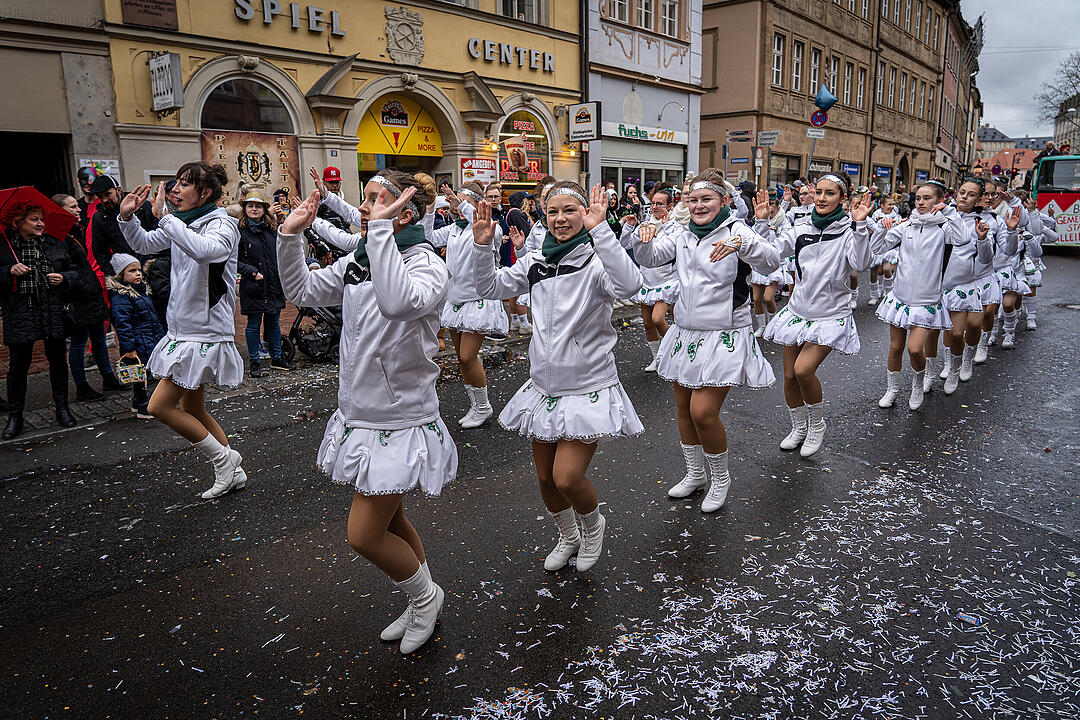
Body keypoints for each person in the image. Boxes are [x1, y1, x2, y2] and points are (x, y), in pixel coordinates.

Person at [277, 172, 454, 655]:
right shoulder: (359, 259)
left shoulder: (427, 265)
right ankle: (423, 599)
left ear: (406, 212)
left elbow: (399, 303)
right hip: (360, 410)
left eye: (379, 200)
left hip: (399, 417)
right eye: (366, 198)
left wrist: (378, 231)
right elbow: (304, 291)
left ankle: (425, 598)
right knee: (391, 522)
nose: (365, 206)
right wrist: (290, 236)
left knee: (363, 534)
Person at [470, 183, 644, 572]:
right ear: (543, 216)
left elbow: (632, 285)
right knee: (546, 480)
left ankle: (593, 524)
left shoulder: (597, 262)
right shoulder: (534, 259)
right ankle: (567, 536)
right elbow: (487, 287)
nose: (560, 219)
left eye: (569, 210)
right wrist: (483, 249)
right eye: (552, 212)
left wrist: (602, 233)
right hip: (544, 386)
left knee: (567, 477)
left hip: (587, 386)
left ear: (584, 214)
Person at [634, 170, 780, 512]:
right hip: (687, 333)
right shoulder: (683, 235)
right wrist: (641, 237)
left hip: (725, 333)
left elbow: (771, 261)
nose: (699, 206)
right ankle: (695, 473)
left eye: (707, 199)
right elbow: (649, 258)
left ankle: (720, 478)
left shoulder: (737, 230)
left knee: (703, 411)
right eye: (693, 200)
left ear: (724, 201)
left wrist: (743, 242)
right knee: (684, 409)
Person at [117, 162, 248, 499]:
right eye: (175, 184)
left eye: (184, 185)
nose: (174, 190)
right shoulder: (183, 222)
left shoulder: (222, 224)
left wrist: (165, 217)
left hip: (203, 330)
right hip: (184, 329)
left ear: (204, 193)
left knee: (158, 406)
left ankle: (224, 460)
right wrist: (127, 217)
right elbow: (145, 245)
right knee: (193, 409)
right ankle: (233, 470)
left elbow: (207, 251)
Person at [760, 173, 877, 456]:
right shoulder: (801, 227)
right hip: (798, 311)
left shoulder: (849, 231)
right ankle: (798, 427)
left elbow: (861, 263)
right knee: (789, 376)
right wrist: (763, 224)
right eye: (819, 192)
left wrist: (860, 225)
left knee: (803, 370)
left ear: (843, 199)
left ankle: (816, 425)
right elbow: (769, 254)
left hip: (829, 315)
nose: (823, 198)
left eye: (830, 193)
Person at [873, 181, 1005, 410]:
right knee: (895, 348)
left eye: (927, 198)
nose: (921, 202)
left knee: (917, 348)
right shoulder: (906, 226)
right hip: (901, 298)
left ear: (938, 202)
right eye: (918, 198)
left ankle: (924, 380)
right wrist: (880, 228)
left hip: (930, 299)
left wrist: (949, 213)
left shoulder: (945, 227)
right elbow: (877, 248)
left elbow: (964, 239)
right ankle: (893, 389)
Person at [0, 202, 81, 438]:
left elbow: (76, 271)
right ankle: (16, 417)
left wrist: (63, 277)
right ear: (18, 222)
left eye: (41, 219)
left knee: (57, 359)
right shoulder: (5, 247)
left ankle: (62, 409)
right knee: (18, 365)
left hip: (51, 308)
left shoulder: (54, 243)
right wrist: (8, 271)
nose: (41, 224)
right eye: (34, 219)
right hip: (20, 311)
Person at [429, 182, 505, 428]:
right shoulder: (454, 229)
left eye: (459, 201)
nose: (452, 204)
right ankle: (475, 404)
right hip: (456, 299)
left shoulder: (490, 227)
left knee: (467, 356)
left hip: (479, 300)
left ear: (474, 205)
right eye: (452, 200)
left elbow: (487, 237)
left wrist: (457, 201)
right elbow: (428, 236)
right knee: (463, 360)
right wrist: (430, 207)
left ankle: (483, 406)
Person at [51, 193, 123, 400]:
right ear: (60, 211)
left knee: (99, 338)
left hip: (91, 293)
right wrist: (81, 285)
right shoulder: (58, 237)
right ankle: (82, 386)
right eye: (73, 206)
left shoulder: (76, 231)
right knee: (79, 342)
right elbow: (67, 268)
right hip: (77, 296)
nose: (79, 209)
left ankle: (108, 377)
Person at [930, 178, 994, 392]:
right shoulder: (940, 215)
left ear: (978, 199)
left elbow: (985, 259)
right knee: (946, 331)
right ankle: (949, 363)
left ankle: (963, 362)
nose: (964, 197)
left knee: (967, 329)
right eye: (962, 192)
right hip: (940, 283)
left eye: (971, 194)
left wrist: (983, 239)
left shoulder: (983, 222)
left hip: (969, 282)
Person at [236, 191, 291, 378]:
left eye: (258, 206)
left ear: (263, 210)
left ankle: (277, 357)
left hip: (273, 284)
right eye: (250, 206)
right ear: (245, 209)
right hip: (254, 286)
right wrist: (251, 272)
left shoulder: (270, 230)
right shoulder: (239, 232)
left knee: (274, 323)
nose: (254, 209)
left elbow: (281, 253)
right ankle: (255, 362)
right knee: (253, 325)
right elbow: (233, 260)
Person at [628, 183, 680, 371]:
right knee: (648, 323)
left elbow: (669, 248)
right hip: (647, 280)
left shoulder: (675, 227)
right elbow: (626, 243)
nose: (655, 207)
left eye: (660, 203)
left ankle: (674, 351)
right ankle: (657, 358)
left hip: (666, 279)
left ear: (670, 206)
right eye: (653, 203)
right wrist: (629, 226)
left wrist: (666, 227)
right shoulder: (644, 225)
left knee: (658, 319)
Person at [107, 254, 164, 418]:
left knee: (144, 373)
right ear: (121, 275)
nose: (138, 274)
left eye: (139, 270)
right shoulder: (122, 297)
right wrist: (129, 348)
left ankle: (138, 402)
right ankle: (143, 405)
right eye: (132, 271)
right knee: (144, 375)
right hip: (140, 342)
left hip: (151, 338)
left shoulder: (142, 292)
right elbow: (123, 325)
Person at [89, 174, 158, 278]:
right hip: (125, 274)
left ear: (118, 190)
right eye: (100, 197)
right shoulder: (100, 218)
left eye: (107, 194)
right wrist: (116, 272)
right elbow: (99, 251)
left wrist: (155, 264)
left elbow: (158, 235)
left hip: (152, 269)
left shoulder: (143, 207)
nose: (104, 200)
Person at [749, 193, 790, 337]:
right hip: (759, 264)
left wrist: (776, 230)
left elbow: (788, 238)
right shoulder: (759, 221)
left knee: (768, 297)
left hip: (774, 265)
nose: (770, 215)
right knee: (756, 299)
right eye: (768, 212)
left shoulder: (783, 222)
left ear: (778, 209)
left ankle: (773, 325)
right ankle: (761, 326)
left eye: (772, 212)